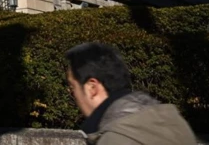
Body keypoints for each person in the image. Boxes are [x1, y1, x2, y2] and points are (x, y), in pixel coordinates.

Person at [65, 42, 197, 145]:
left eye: (73, 87)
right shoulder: (176, 123)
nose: (72, 93)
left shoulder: (115, 139)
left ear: (92, 87)